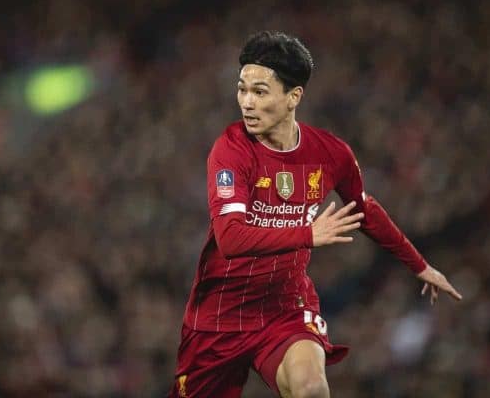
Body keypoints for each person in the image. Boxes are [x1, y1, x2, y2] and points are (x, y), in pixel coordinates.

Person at [169, 31, 462, 398]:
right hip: (219, 317)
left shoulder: (331, 154)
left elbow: (363, 208)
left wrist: (418, 264)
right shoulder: (231, 150)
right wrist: (307, 234)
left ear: (294, 97)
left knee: (310, 389)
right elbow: (230, 238)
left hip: (285, 307)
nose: (246, 102)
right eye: (242, 89)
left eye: (259, 92)